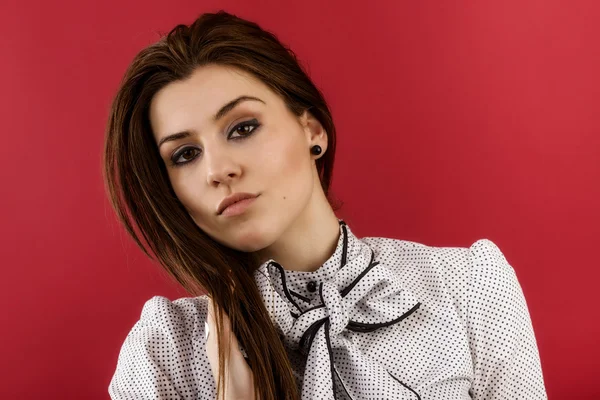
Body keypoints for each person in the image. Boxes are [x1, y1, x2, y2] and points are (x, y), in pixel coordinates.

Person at [104, 10, 547, 400]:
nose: (217, 169)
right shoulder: (162, 353)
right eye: (185, 154)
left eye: (242, 127)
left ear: (312, 130)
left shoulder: (469, 286)